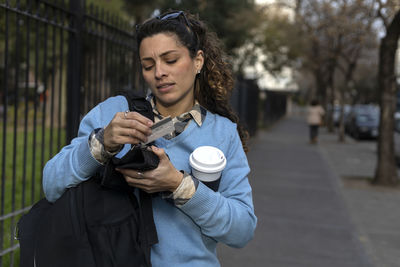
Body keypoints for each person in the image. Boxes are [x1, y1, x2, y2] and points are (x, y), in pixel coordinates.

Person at [42, 10, 257, 266]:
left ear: (197, 61)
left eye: (171, 60)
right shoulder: (113, 112)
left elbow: (242, 230)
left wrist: (179, 185)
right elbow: (51, 185)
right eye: (148, 65)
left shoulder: (222, 132)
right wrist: (102, 144)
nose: (159, 73)